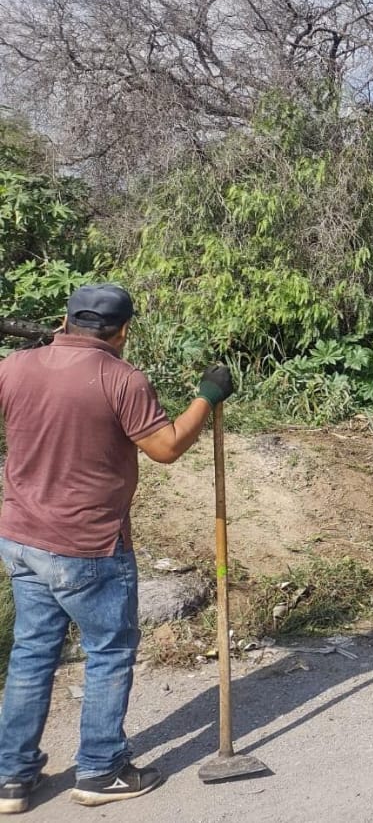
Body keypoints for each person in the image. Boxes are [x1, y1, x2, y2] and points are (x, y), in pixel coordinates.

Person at [0, 283, 234, 812]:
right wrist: (207, 396)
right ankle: (101, 771)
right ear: (123, 330)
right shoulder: (120, 378)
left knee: (33, 654)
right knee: (107, 653)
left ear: (66, 319)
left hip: (21, 538)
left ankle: (11, 779)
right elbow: (166, 447)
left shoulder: (14, 367)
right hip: (90, 546)